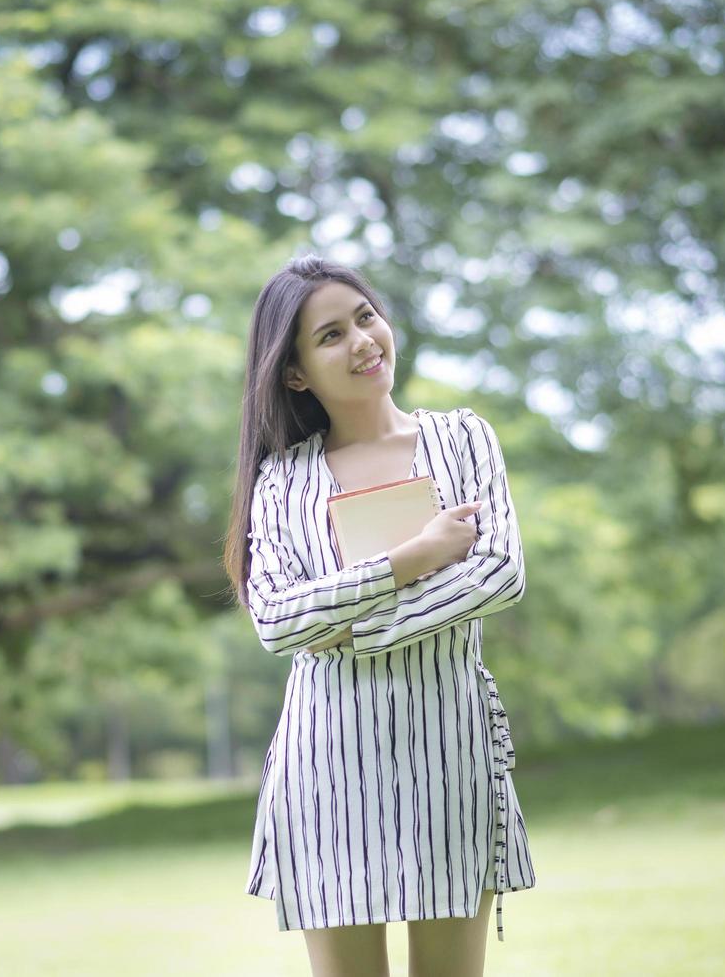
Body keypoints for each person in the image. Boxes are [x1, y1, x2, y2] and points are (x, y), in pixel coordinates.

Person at [222, 254, 536, 977]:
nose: (363, 342)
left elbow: (497, 574)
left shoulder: (463, 439)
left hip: (448, 746)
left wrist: (347, 629)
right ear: (295, 372)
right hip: (328, 763)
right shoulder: (282, 479)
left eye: (366, 317)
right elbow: (276, 620)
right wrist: (413, 558)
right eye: (330, 335)